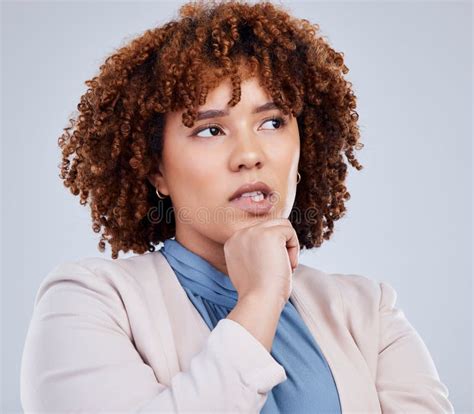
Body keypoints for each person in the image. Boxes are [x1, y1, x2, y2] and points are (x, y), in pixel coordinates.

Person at [20, 0, 454, 412]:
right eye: (210, 130)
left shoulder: (367, 311)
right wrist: (260, 299)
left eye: (272, 122)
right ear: (157, 171)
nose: (250, 154)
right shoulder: (88, 304)